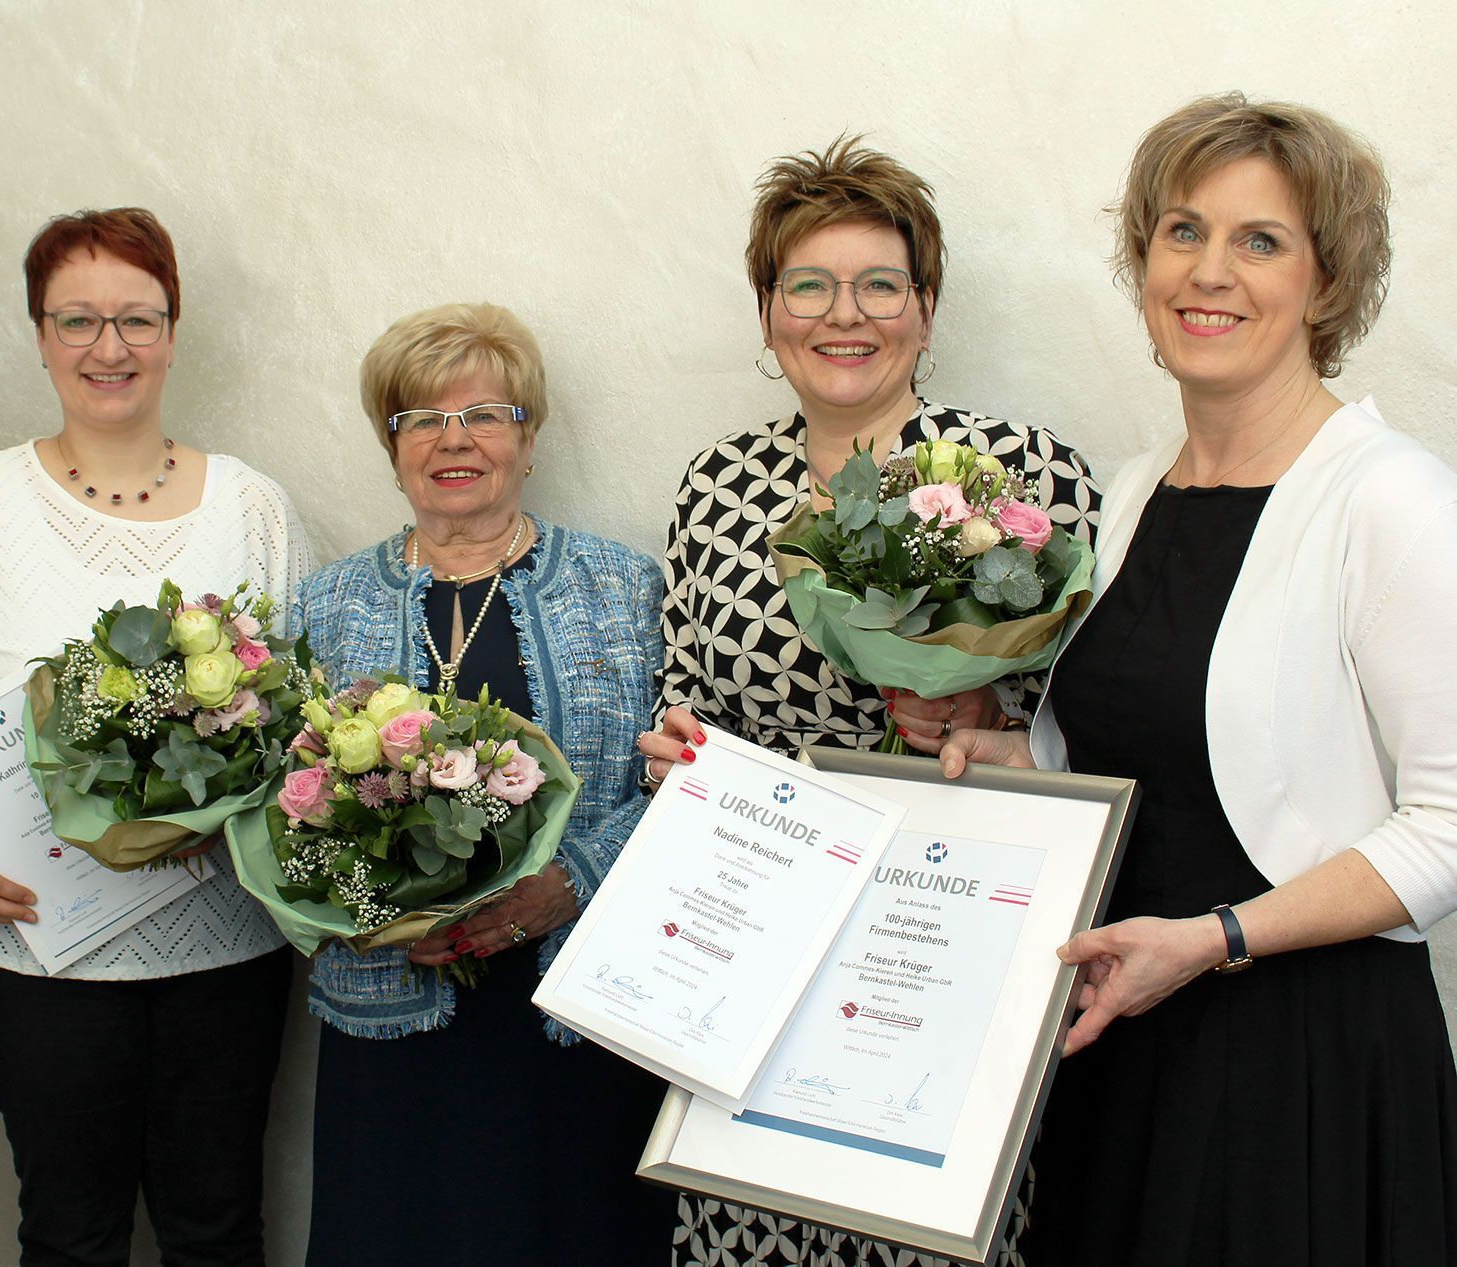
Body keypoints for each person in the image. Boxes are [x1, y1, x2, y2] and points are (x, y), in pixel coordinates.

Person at [941, 93, 1457, 1265]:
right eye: (1181, 230)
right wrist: (1011, 757)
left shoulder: (1392, 500)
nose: (1207, 271)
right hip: (1127, 1042)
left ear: (1326, 283)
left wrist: (1215, 937)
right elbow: (1160, 760)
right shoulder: (1135, 490)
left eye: (1258, 239)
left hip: (1297, 1070)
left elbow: (1448, 829)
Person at [638, 141, 1101, 1267]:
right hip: (757, 953)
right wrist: (679, 753)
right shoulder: (717, 483)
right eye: (808, 284)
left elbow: (1104, 718)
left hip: (949, 952)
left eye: (880, 284)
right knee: (753, 1225)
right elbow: (685, 690)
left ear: (925, 311)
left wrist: (992, 720)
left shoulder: (1019, 471)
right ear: (767, 313)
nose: (844, 315)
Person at [0, 208, 311, 1267]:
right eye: (77, 319)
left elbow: (300, 721)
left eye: (137, 317)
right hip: (33, 946)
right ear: (40, 334)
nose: (109, 346)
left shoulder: (254, 508)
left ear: (173, 332)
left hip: (226, 941)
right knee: (70, 1235)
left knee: (217, 1231)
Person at [292, 302, 673, 1265]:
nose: (453, 439)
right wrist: (374, 907)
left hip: (578, 1019)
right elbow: (285, 805)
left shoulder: (626, 588)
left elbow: (681, 786)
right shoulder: (325, 603)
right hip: (390, 1017)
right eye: (422, 418)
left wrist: (571, 879)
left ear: (529, 440)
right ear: (392, 448)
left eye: (485, 415)